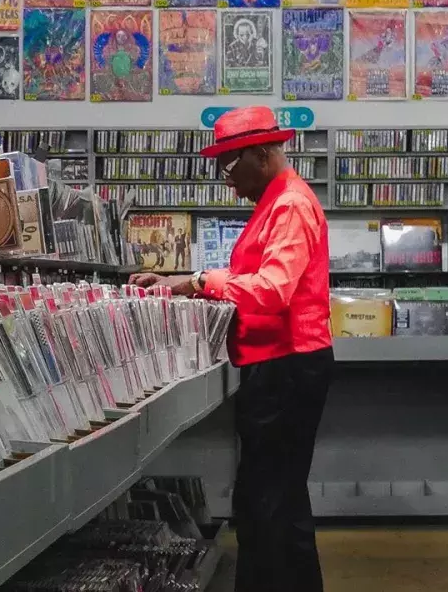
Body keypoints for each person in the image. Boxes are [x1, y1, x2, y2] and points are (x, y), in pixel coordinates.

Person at [129, 106, 332, 592]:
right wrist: (184, 284)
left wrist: (199, 280)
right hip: (281, 364)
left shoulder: (289, 206)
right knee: (281, 503)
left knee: (264, 507)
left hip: (286, 366)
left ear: (261, 155)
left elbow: (271, 289)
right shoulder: (275, 202)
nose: (226, 180)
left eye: (229, 165)